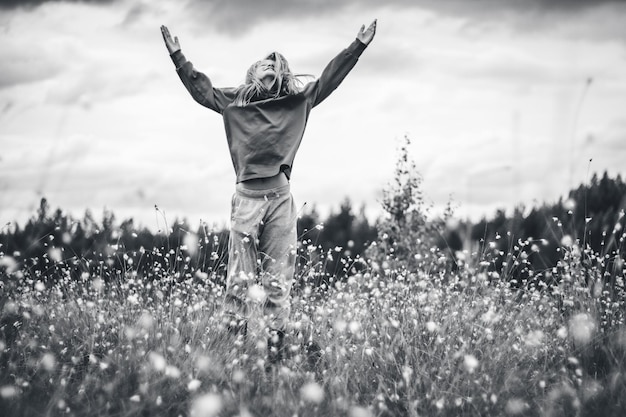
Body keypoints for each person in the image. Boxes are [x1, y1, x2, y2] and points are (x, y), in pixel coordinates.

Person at [161, 20, 376, 361]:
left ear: (282, 75)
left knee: (277, 282)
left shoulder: (297, 101)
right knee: (239, 282)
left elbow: (329, 78)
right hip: (246, 201)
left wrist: (357, 47)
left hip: (280, 201)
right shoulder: (234, 102)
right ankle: (235, 357)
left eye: (276, 65)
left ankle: (275, 361)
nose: (270, 67)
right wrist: (178, 56)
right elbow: (200, 88)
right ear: (253, 73)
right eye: (265, 63)